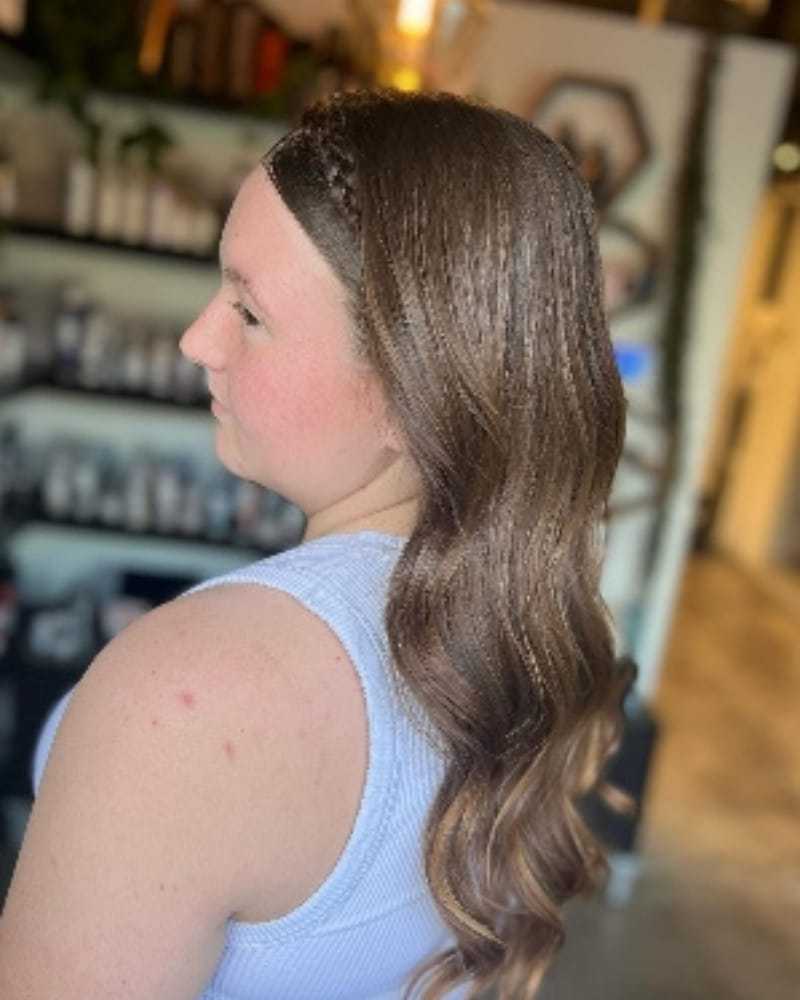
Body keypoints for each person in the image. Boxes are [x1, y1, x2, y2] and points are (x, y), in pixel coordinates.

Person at [0, 88, 631, 999]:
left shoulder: (192, 696)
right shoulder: (521, 636)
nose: (197, 340)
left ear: (417, 392)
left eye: (249, 312)